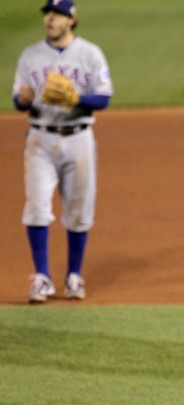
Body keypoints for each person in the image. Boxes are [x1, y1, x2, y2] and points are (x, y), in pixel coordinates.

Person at [12, 0, 113, 303]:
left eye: (56, 15)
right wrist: (25, 99)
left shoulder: (90, 53)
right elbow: (19, 100)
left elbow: (104, 98)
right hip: (40, 139)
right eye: (47, 14)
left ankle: (74, 276)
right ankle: (42, 277)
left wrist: (77, 99)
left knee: (80, 211)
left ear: (71, 20)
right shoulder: (30, 55)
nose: (50, 20)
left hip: (78, 138)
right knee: (37, 207)